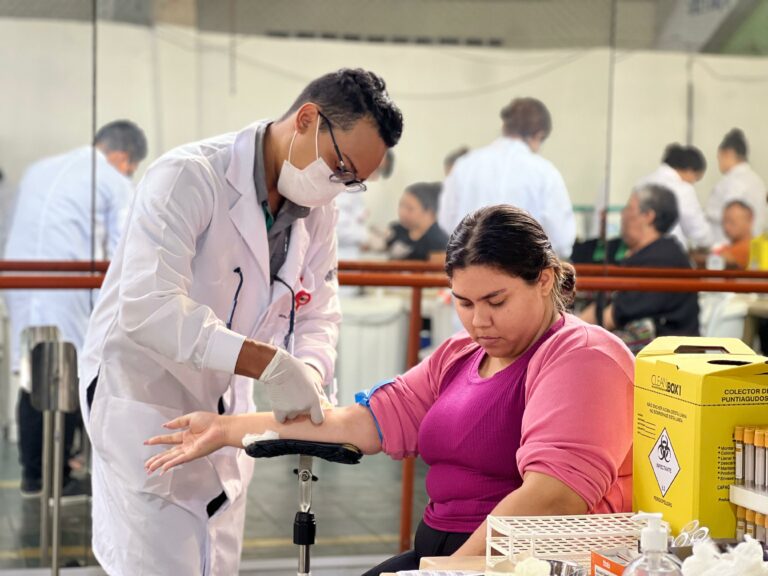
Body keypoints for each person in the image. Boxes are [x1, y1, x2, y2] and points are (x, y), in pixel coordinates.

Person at [144, 205, 634, 575]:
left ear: (545, 280)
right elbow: (361, 422)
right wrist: (228, 428)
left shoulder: (582, 356)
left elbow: (554, 497)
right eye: (464, 302)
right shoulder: (461, 354)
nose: (479, 320)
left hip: (519, 561)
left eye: (496, 301)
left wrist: (452, 571)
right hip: (446, 551)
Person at [78, 69, 403, 576]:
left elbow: (319, 309)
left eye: (352, 181)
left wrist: (310, 373)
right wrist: (270, 364)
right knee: (158, 562)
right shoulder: (187, 177)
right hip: (146, 397)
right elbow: (148, 307)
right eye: (340, 167)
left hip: (227, 411)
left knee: (215, 556)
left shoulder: (316, 212)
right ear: (306, 119)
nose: (338, 187)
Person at [3, 120, 147, 497]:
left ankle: (41, 470)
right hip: (64, 285)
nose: (128, 173)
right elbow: (124, 248)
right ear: (122, 157)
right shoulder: (113, 181)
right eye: (130, 168)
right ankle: (48, 479)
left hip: (22, 281)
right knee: (68, 375)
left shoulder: (42, 168)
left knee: (33, 373)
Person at [438, 97, 575, 258]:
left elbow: (447, 222)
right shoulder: (545, 172)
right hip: (522, 271)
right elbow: (561, 238)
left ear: (504, 125)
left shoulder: (465, 166)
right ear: (539, 135)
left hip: (469, 267)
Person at [580, 185, 700, 342]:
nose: (623, 214)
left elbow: (611, 316)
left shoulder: (661, 260)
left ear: (648, 216)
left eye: (629, 208)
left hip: (666, 353)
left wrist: (566, 333)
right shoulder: (650, 252)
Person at [635, 143, 711, 250]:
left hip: (639, 251)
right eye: (696, 178)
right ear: (689, 170)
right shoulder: (683, 189)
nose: (693, 182)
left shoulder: (642, 183)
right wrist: (712, 243)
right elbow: (696, 229)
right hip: (668, 253)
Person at [707, 128, 767, 244]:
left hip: (731, 249)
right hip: (755, 245)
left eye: (719, 158)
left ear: (727, 154)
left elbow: (732, 218)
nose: (719, 164)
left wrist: (706, 213)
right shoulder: (757, 180)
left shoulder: (734, 181)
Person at [386, 182, 449, 260]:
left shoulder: (438, 242)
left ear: (429, 212)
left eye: (410, 208)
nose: (402, 213)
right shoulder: (397, 231)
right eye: (401, 205)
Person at [717, 200, 754, 270]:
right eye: (724, 222)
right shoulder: (726, 249)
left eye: (732, 222)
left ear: (749, 219)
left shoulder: (751, 249)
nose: (726, 227)